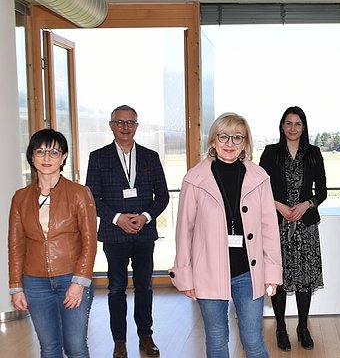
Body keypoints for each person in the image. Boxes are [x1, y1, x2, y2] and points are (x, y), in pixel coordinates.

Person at [170, 112, 282, 358]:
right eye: (223, 136)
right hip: (207, 273)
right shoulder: (194, 179)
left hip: (248, 274)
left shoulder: (259, 178)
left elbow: (269, 230)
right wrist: (185, 276)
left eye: (237, 137)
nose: (230, 143)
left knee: (253, 341)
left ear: (245, 143)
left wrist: (272, 273)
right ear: (213, 141)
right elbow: (184, 232)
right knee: (217, 340)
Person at [86, 105, 169, 358]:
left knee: (144, 286)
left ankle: (146, 336)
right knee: (116, 288)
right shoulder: (98, 157)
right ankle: (119, 341)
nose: (125, 127)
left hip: (144, 234)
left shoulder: (150, 157)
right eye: (119, 122)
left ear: (136, 126)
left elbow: (163, 196)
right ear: (111, 125)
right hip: (114, 234)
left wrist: (144, 217)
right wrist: (116, 218)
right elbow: (92, 197)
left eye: (130, 122)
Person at [8, 129, 98, 358]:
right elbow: (16, 245)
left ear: (64, 157)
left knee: (76, 347)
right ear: (31, 156)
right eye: (40, 152)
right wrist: (16, 286)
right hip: (35, 283)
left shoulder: (79, 193)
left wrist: (79, 282)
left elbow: (90, 241)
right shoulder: (20, 197)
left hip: (71, 277)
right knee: (49, 347)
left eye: (54, 152)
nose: (47, 158)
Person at [259, 106, 327, 351]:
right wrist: (277, 205)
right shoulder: (270, 153)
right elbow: (261, 187)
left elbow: (322, 192)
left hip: (305, 226)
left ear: (304, 127)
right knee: (278, 278)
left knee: (305, 280)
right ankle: (279, 327)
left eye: (297, 124)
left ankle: (303, 327)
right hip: (277, 225)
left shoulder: (314, 153)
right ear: (282, 126)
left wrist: (306, 205)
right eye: (288, 123)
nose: (293, 128)